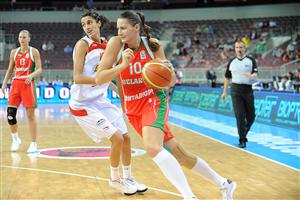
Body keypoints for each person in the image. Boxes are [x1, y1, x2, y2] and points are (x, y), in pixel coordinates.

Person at [95, 11, 236, 200]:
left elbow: (169, 82)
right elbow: (99, 78)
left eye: (123, 28)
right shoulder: (116, 44)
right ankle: (225, 184)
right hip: (132, 108)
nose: (119, 32)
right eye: (118, 28)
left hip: (153, 101)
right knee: (180, 155)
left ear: (136, 27)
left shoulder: (152, 45)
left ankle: (189, 196)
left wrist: (168, 71)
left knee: (152, 147)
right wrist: (123, 65)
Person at [68, 10, 147, 195]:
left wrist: (118, 90)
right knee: (117, 138)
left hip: (100, 100)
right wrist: (104, 77)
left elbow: (107, 77)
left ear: (98, 22)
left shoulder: (108, 44)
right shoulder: (82, 45)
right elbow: (77, 77)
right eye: (83, 25)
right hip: (82, 105)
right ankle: (114, 178)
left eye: (89, 22)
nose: (87, 27)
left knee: (126, 138)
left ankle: (128, 177)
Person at [1, 30, 42, 153]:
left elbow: (40, 69)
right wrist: (4, 83)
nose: (22, 39)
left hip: (27, 85)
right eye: (20, 37)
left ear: (29, 39)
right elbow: (10, 69)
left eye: (24, 37)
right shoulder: (14, 52)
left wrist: (31, 75)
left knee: (30, 115)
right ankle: (15, 139)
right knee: (10, 115)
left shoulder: (33, 51)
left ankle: (34, 143)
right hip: (15, 85)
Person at [221, 41, 257, 148]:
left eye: (241, 47)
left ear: (244, 48)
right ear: (235, 49)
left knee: (251, 116)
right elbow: (227, 77)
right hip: (235, 90)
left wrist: (251, 76)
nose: (239, 49)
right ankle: (242, 139)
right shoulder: (232, 62)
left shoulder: (250, 60)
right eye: (237, 47)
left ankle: (243, 132)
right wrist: (224, 92)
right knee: (240, 115)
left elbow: (255, 74)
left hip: (247, 89)